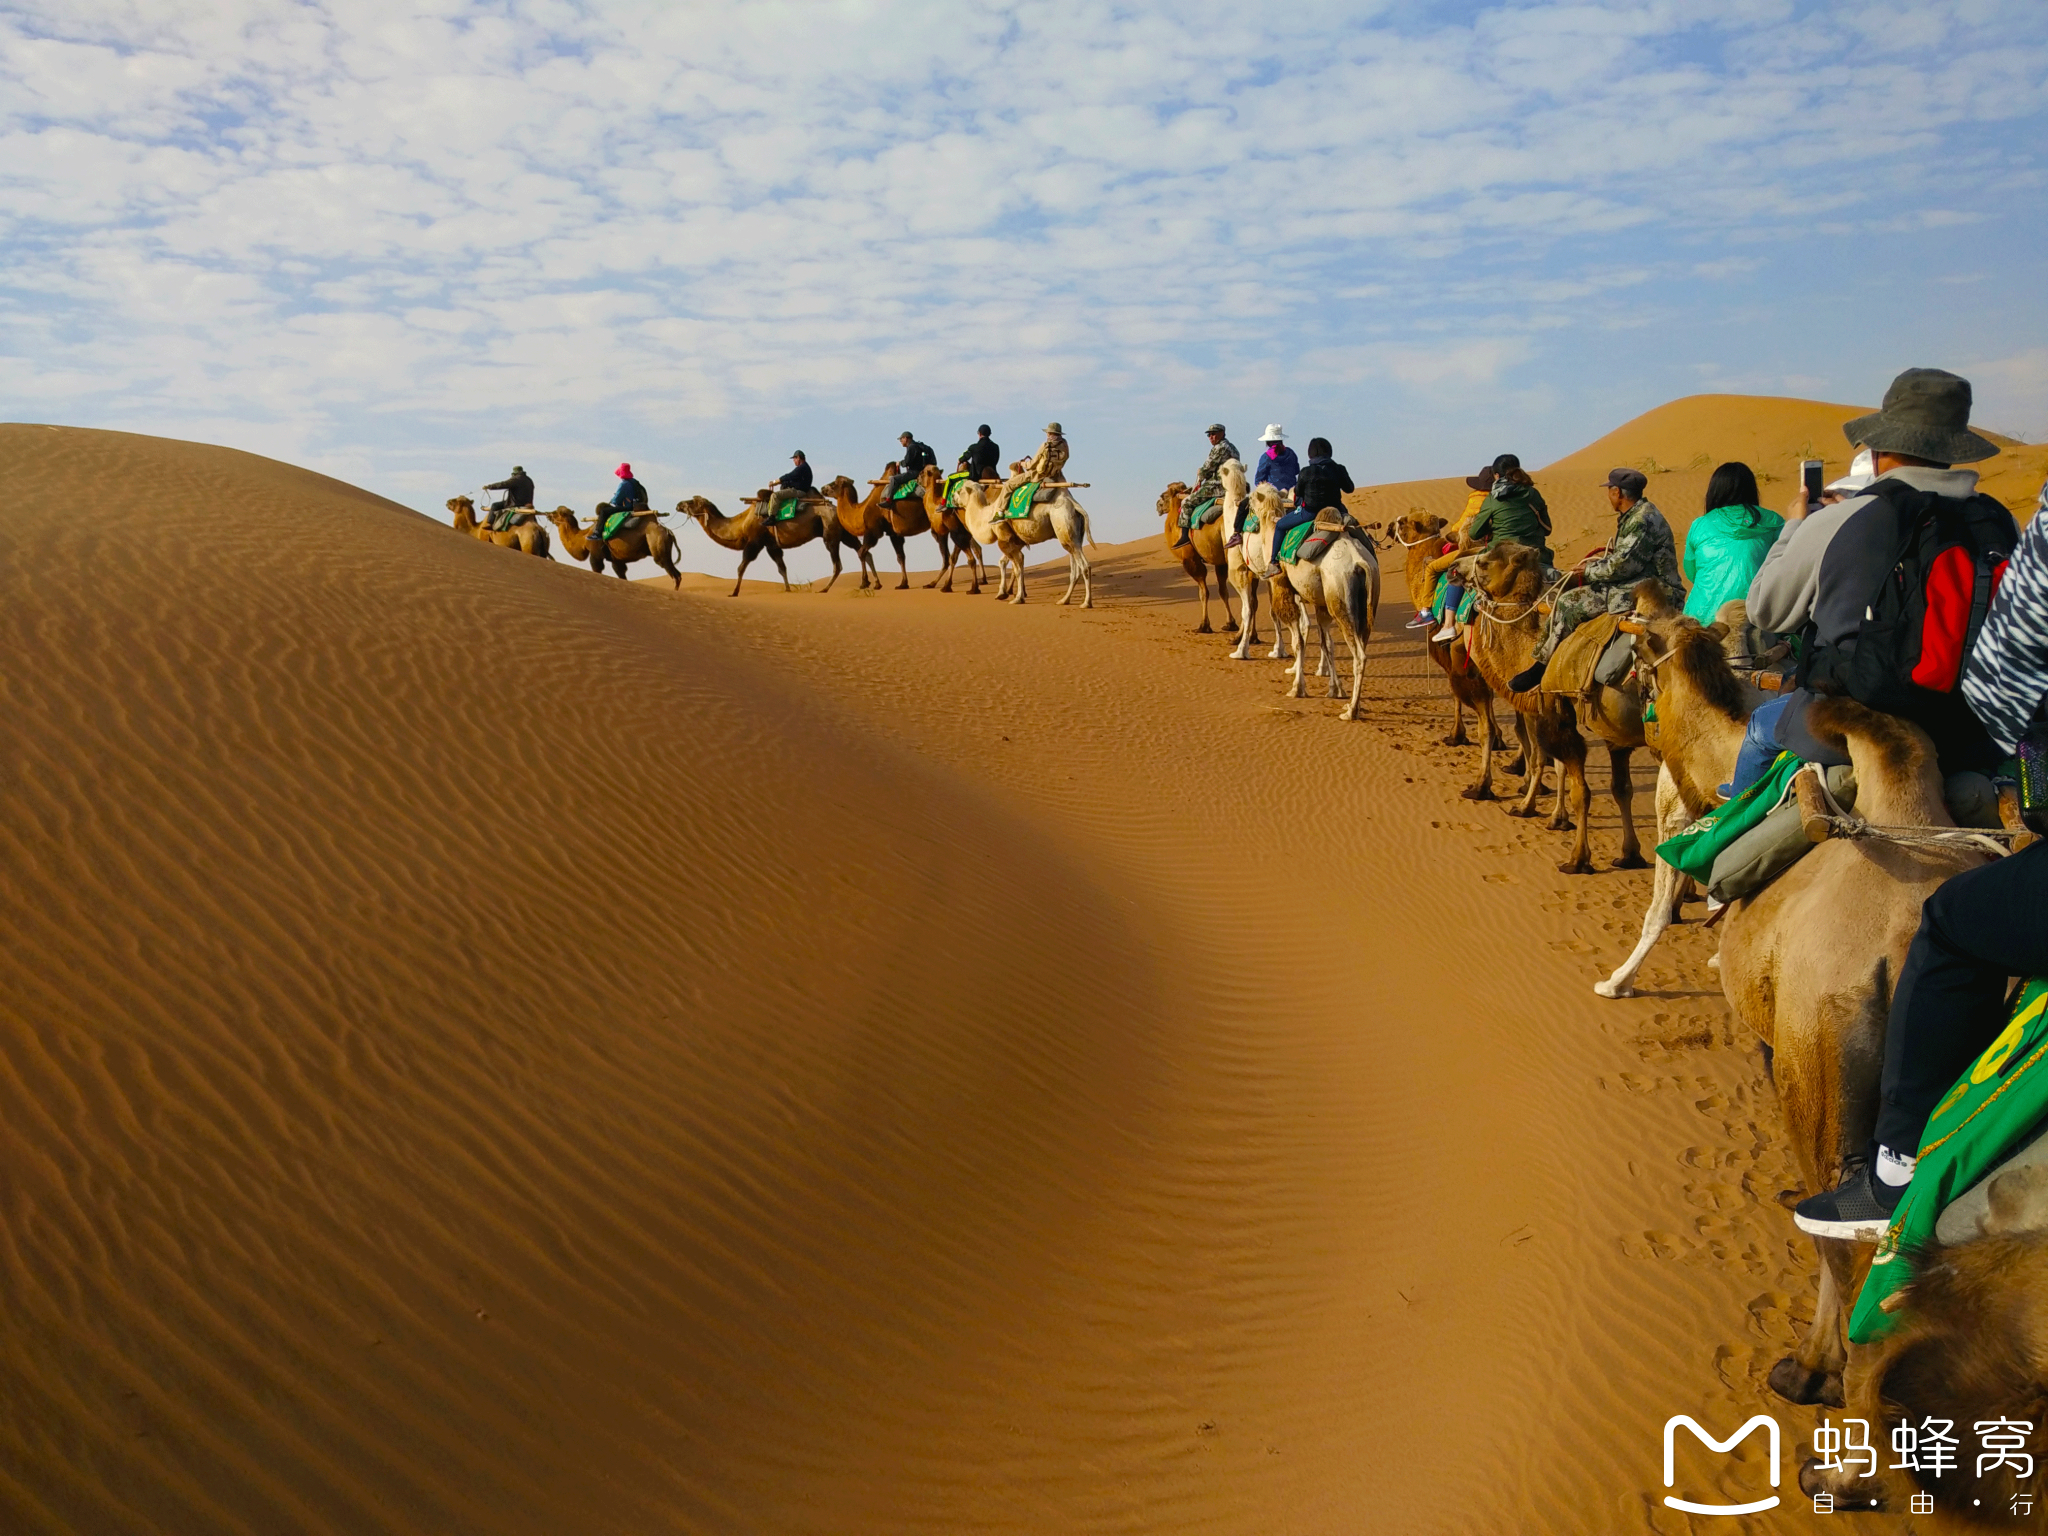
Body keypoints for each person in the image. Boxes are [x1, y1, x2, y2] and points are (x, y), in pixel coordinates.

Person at [1790, 469, 2048, 1241]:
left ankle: (1895, 1169)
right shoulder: (1993, 513)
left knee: (1767, 741)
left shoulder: (1850, 518)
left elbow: (2005, 678)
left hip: (1887, 712)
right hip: (1971, 761)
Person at [1733, 367, 2016, 798]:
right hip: (1974, 733)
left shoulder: (1838, 520)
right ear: (1954, 448)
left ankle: (1719, 837)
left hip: (1847, 726)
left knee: (1759, 728)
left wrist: (1794, 527)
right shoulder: (2002, 521)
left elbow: (1765, 609)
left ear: (1879, 448)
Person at [1506, 467, 1683, 693]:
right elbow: (1626, 558)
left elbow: (1623, 565)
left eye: (1610, 489)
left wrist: (1587, 573)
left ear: (1617, 492)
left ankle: (1541, 666)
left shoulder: (1642, 519)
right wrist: (1594, 565)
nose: (1608, 494)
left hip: (1654, 590)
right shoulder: (1639, 514)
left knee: (1567, 603)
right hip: (1641, 581)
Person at [1679, 462, 1783, 625]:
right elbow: (1785, 570)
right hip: (1751, 616)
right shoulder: (1773, 521)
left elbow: (1691, 572)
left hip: (1698, 618)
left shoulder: (1699, 524)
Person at [1412, 464, 1494, 636]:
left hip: (1474, 550)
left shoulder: (1477, 500)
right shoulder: (1503, 499)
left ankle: (1428, 613)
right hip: (1500, 549)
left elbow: (1460, 528)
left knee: (1433, 568)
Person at [1257, 436, 1353, 575]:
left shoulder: (1306, 472)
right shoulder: (1339, 469)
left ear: (1310, 454)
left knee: (1280, 525)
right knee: (1353, 525)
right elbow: (1349, 488)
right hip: (1336, 510)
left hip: (1310, 513)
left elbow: (1299, 492)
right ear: (1329, 452)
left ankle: (1273, 562)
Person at [1462, 453, 1553, 569]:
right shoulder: (1533, 493)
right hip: (1536, 556)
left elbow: (1474, 534)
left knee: (1457, 571)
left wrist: (1491, 527)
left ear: (1496, 476)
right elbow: (1547, 529)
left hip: (1501, 558)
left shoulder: (1492, 498)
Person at [1172, 423, 1239, 548]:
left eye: (1214, 434)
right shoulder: (1232, 447)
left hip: (1216, 487)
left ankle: (1185, 536)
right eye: (1209, 435)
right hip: (1230, 486)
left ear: (1222, 434)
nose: (1211, 437)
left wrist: (1200, 472)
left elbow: (1208, 468)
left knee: (1187, 502)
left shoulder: (1220, 448)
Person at [1240, 424, 1298, 547]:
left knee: (1243, 506)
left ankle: (1236, 534)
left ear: (1267, 441)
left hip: (1273, 496)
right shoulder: (1291, 453)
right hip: (1293, 494)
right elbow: (1296, 470)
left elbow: (1259, 480)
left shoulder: (1266, 457)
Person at [1010, 422, 1069, 487]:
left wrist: (1022, 463)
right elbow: (1066, 458)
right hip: (1057, 475)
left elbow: (1031, 464)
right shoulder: (1064, 444)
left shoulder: (1045, 445)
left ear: (1049, 433)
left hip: (1039, 475)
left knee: (1008, 485)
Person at [884, 431, 936, 503]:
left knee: (894, 479)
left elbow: (907, 462)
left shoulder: (912, 447)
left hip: (914, 473)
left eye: (901, 439)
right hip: (924, 472)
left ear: (906, 438)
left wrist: (900, 463)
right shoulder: (923, 447)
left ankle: (888, 500)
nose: (901, 441)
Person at [601, 462, 649, 538]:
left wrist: (612, 501)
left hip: (628, 507)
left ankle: (597, 534)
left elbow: (616, 500)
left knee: (604, 512)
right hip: (635, 505)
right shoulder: (634, 482)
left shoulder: (624, 484)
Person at [483, 465, 534, 531]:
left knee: (494, 505)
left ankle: (490, 524)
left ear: (514, 473)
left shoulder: (516, 479)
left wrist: (489, 487)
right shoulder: (529, 480)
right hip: (527, 504)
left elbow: (503, 484)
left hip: (515, 504)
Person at [766, 450, 813, 517]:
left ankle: (771, 517)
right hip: (801, 490)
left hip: (798, 491)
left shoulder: (802, 468)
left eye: (794, 459)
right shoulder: (805, 467)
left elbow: (790, 476)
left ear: (798, 458)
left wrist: (775, 482)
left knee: (774, 496)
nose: (793, 461)